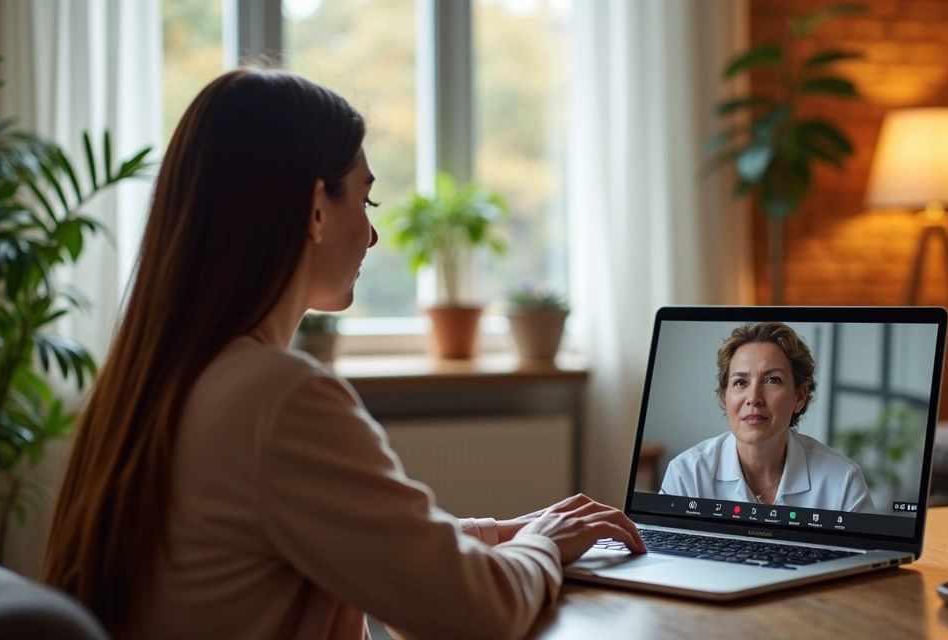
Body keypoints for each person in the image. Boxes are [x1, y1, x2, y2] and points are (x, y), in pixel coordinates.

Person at [41, 68, 645, 640]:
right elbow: (471, 617)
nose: (374, 234)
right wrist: (542, 543)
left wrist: (504, 533)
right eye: (366, 201)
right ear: (315, 209)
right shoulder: (276, 396)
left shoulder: (161, 380)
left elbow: (348, 547)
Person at [659, 322, 875, 513]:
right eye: (740, 383)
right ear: (725, 397)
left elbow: (867, 557)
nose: (753, 398)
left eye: (772, 380)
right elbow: (660, 553)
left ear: (799, 396)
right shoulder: (686, 474)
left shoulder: (843, 480)